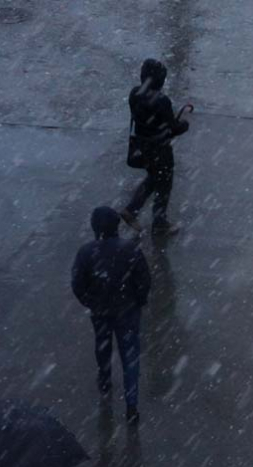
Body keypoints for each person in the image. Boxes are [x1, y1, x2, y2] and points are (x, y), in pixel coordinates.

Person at [72, 206, 151, 423]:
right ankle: (131, 406)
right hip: (128, 311)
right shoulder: (131, 250)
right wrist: (138, 301)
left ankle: (105, 379)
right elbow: (144, 281)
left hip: (101, 311)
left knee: (102, 345)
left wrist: (92, 303)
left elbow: (78, 285)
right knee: (130, 356)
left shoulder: (86, 252)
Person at [121, 58, 190, 236]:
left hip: (142, 145)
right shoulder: (162, 100)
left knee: (152, 178)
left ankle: (132, 209)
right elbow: (173, 128)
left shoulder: (134, 94)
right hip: (160, 149)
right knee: (164, 185)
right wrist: (183, 124)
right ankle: (159, 223)